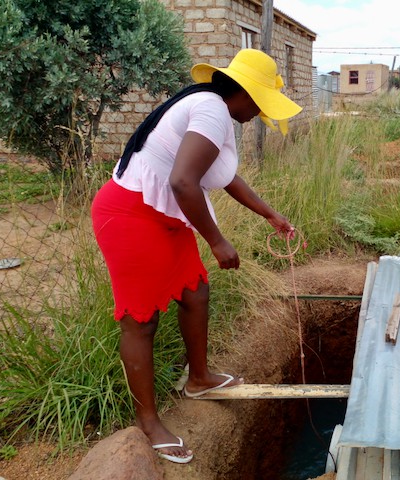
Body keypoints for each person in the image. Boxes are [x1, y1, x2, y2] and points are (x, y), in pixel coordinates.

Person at [91, 49, 301, 464]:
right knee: (141, 320)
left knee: (195, 291)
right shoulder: (211, 110)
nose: (258, 113)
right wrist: (217, 241)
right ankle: (147, 422)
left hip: (162, 211)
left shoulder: (213, 108)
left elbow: (222, 176)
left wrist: (270, 214)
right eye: (259, 104)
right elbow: (184, 182)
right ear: (242, 93)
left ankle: (199, 379)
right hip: (131, 214)